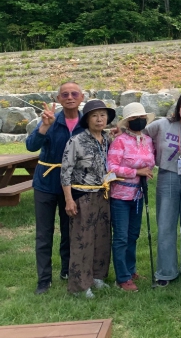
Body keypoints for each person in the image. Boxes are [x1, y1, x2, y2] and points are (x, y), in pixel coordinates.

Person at [26, 82, 85, 295]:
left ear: (81, 97)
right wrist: (44, 127)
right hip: (47, 183)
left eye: (74, 93)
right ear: (58, 98)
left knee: (70, 229)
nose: (70, 97)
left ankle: (67, 270)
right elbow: (31, 146)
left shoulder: (85, 123)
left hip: (74, 184)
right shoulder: (50, 119)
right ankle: (44, 279)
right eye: (65, 94)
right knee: (44, 233)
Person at [146, 91, 181, 287]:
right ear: (178, 109)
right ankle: (166, 272)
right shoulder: (163, 124)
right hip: (168, 176)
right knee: (166, 226)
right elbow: (139, 134)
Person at [60, 99, 117, 298]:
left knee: (102, 237)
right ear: (87, 119)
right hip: (82, 194)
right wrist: (69, 199)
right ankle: (80, 285)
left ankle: (98, 276)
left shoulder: (108, 139)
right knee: (82, 239)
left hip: (103, 194)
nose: (99, 119)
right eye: (94, 115)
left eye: (103, 115)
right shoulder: (76, 141)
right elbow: (65, 172)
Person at [107, 103, 155, 292]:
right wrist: (136, 171)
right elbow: (111, 167)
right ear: (127, 122)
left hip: (138, 194)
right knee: (121, 237)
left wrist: (145, 171)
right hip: (120, 195)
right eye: (134, 118)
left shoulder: (147, 140)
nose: (139, 121)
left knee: (133, 234)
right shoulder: (119, 141)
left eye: (141, 118)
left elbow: (151, 162)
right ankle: (122, 277)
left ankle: (131, 269)